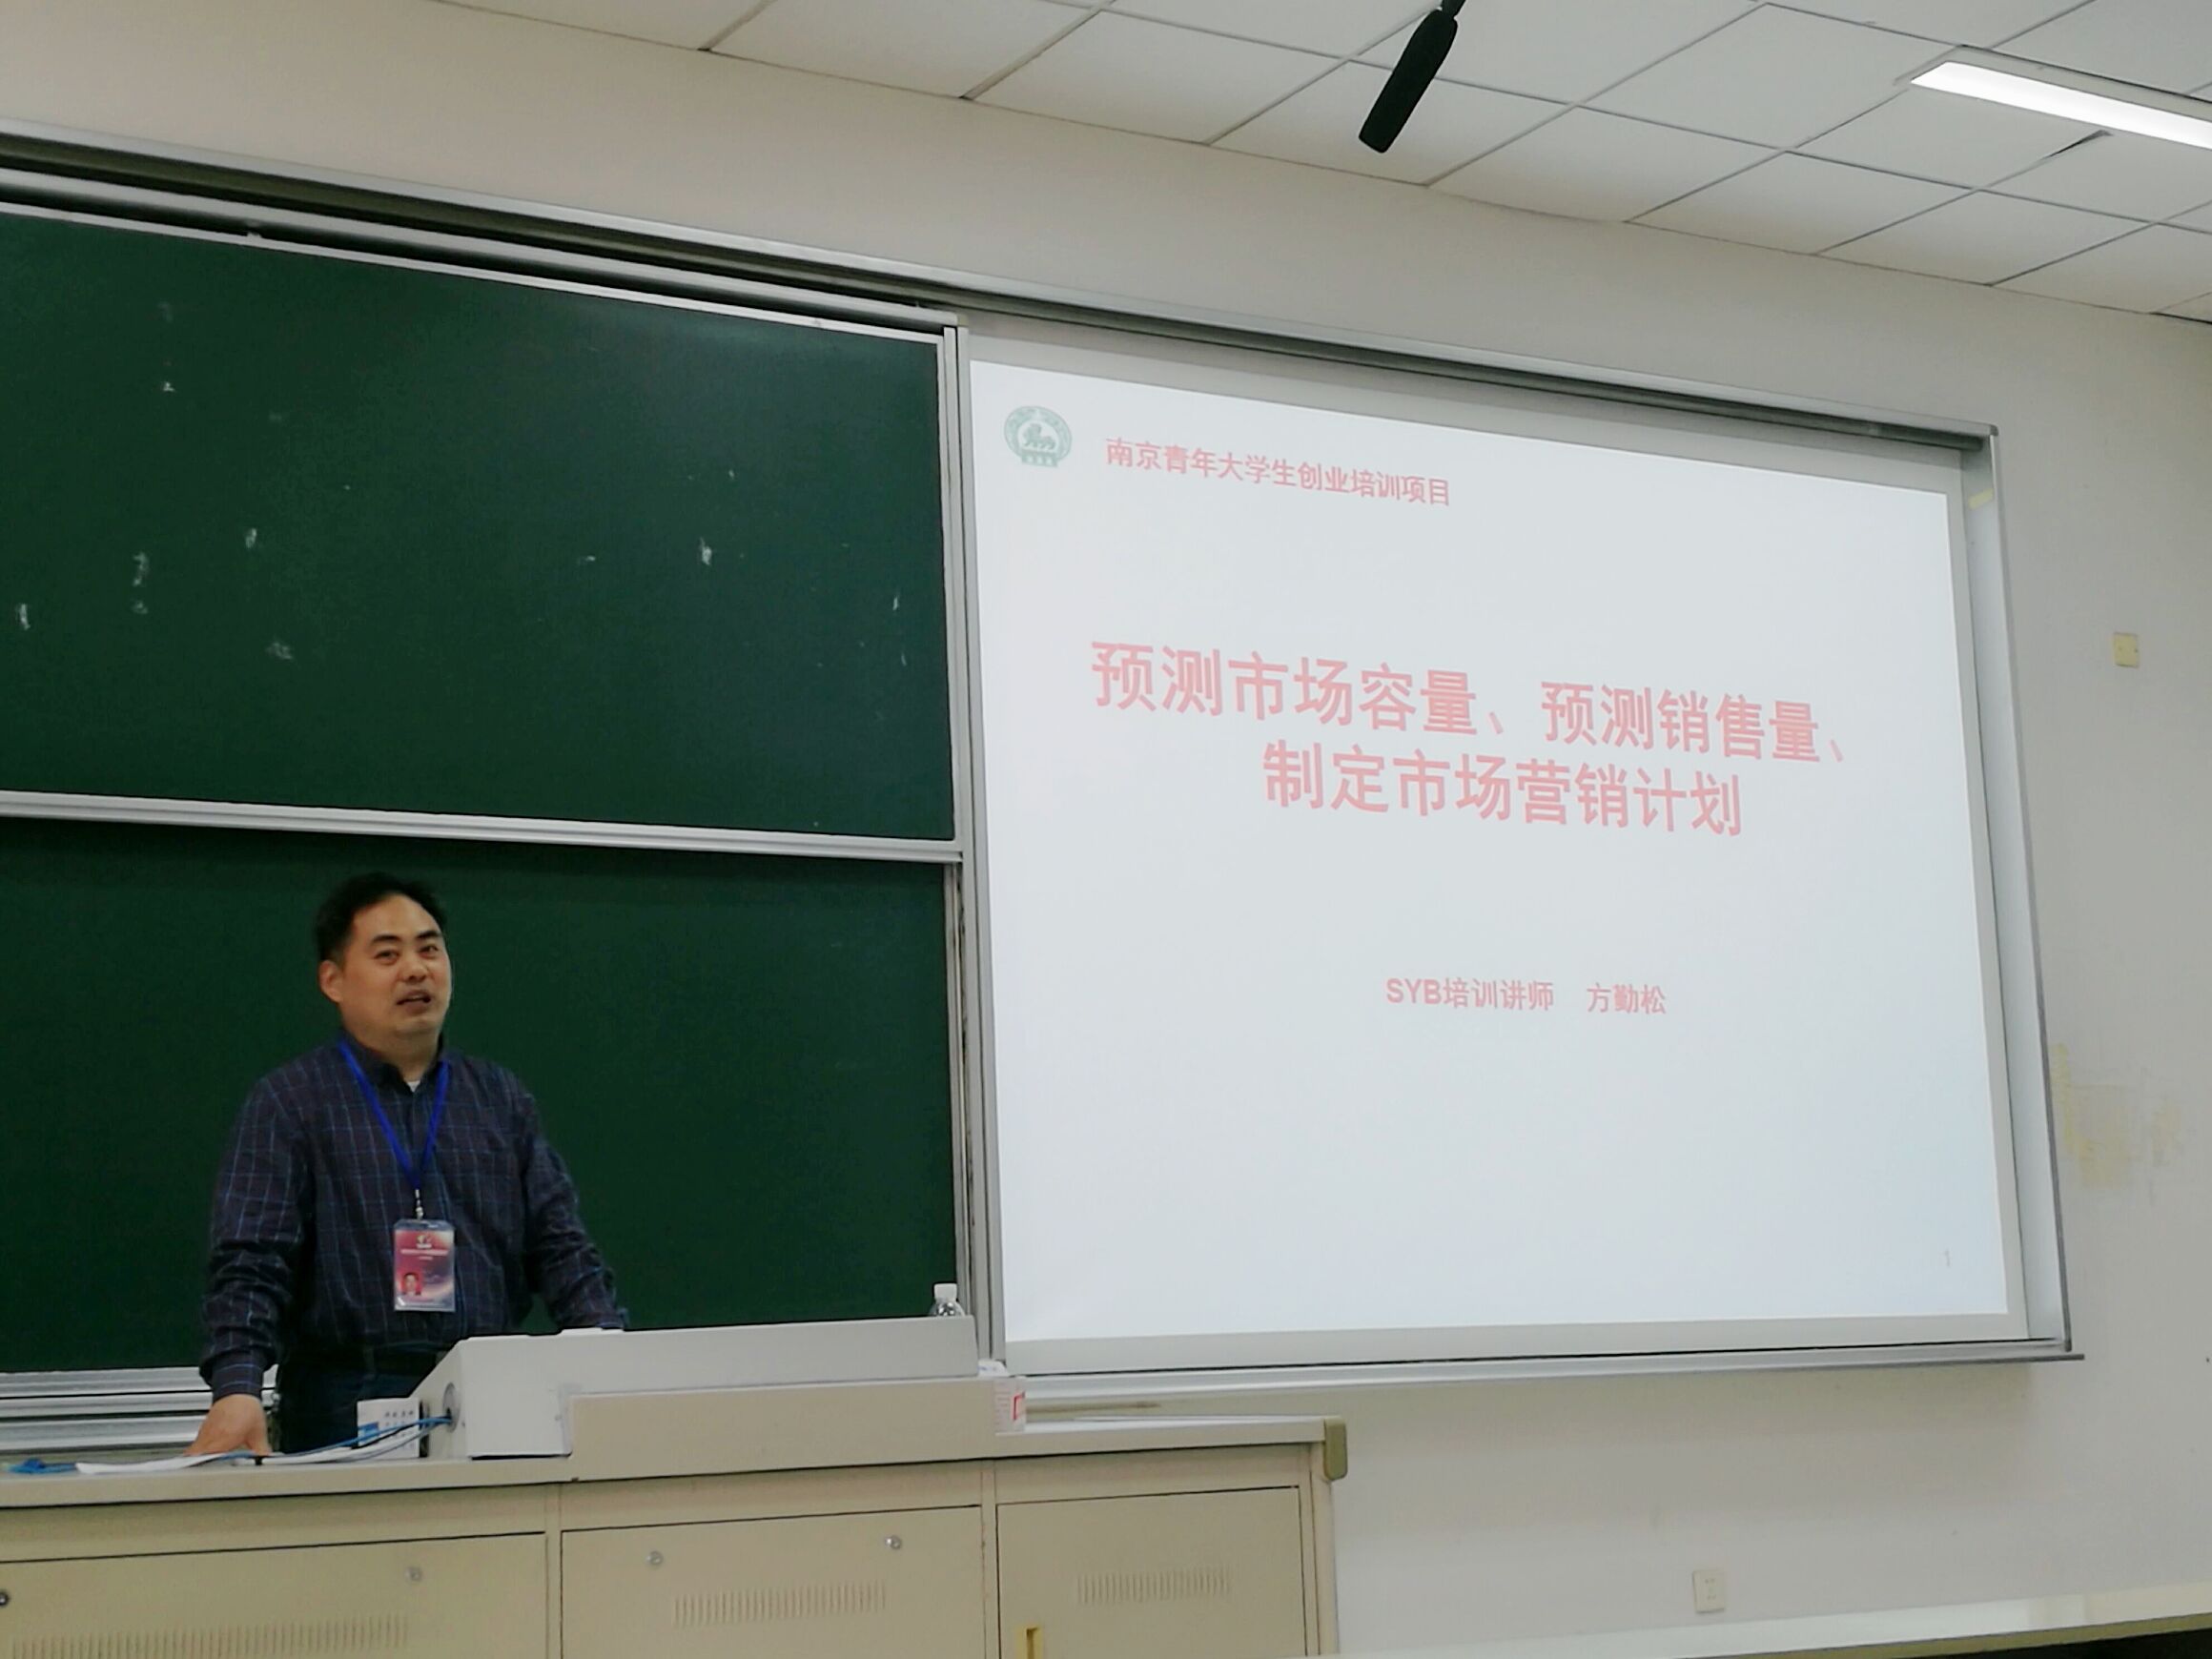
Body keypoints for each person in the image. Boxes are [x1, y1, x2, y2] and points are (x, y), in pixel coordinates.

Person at [191, 873, 623, 1454]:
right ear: (333, 980)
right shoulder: (291, 1103)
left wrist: (607, 1351)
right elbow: (251, 1261)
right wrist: (237, 1386)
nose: (416, 970)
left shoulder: (499, 1098)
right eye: (387, 955)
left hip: (492, 1388)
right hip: (346, 1398)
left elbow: (560, 1245)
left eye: (429, 949)